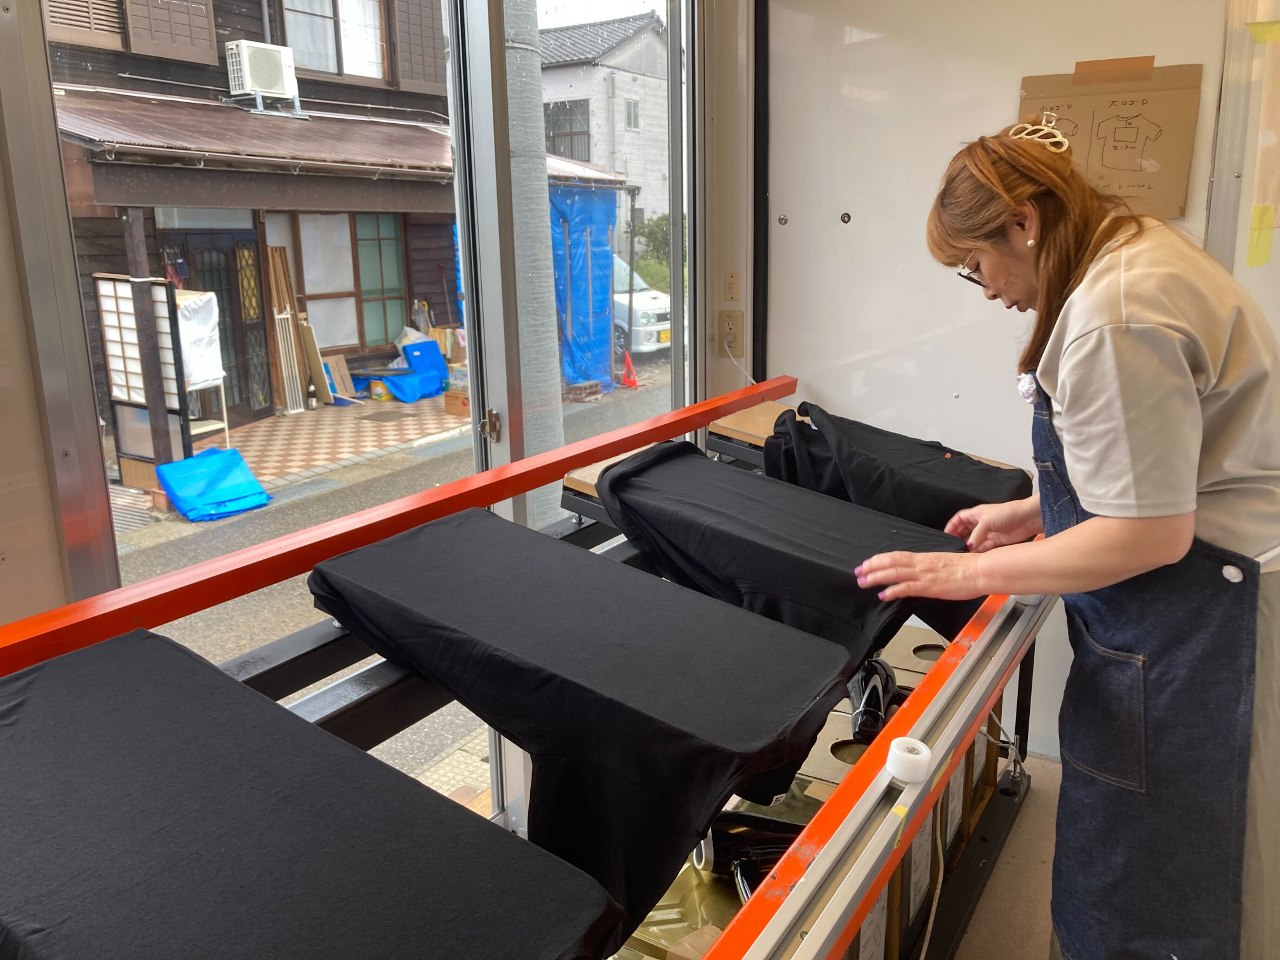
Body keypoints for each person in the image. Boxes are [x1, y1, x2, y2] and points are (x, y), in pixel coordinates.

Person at [854, 118, 1280, 960]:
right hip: (1193, 595)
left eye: (975, 265)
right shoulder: (1137, 250)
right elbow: (1156, 461)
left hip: (1202, 615)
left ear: (1023, 221)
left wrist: (972, 573)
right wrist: (1036, 512)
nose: (985, 291)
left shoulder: (1113, 315)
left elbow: (1150, 533)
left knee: (1161, 870)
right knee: (1135, 838)